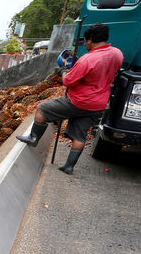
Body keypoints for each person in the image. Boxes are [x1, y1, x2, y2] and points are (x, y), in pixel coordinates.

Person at [16, 23, 124, 174]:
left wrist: (65, 70)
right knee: (80, 135)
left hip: (78, 101)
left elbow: (68, 81)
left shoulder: (87, 59)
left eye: (86, 41)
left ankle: (33, 138)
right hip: (98, 104)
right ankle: (69, 166)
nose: (86, 45)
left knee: (42, 109)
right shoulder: (117, 54)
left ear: (90, 40)